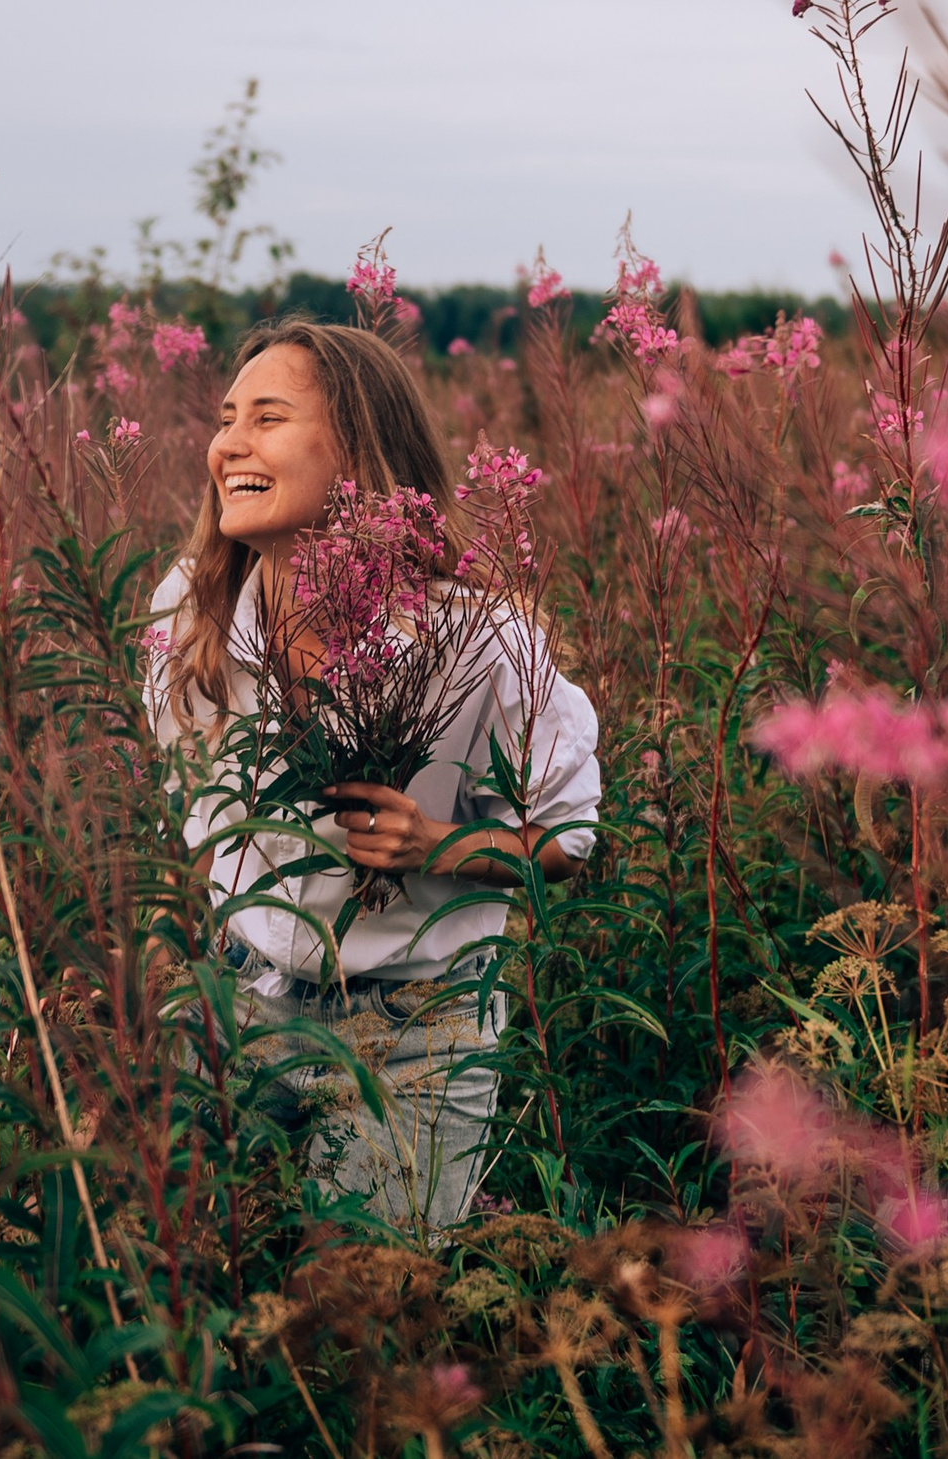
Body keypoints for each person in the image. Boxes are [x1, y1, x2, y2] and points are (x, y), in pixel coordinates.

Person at [144, 319, 601, 1233]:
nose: (227, 442)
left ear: (357, 451)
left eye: (267, 418)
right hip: (236, 1004)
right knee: (186, 1280)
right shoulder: (191, 612)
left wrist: (438, 843)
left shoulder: (479, 641)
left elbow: (568, 841)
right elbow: (192, 812)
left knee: (359, 1323)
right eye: (227, 417)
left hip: (416, 1032)